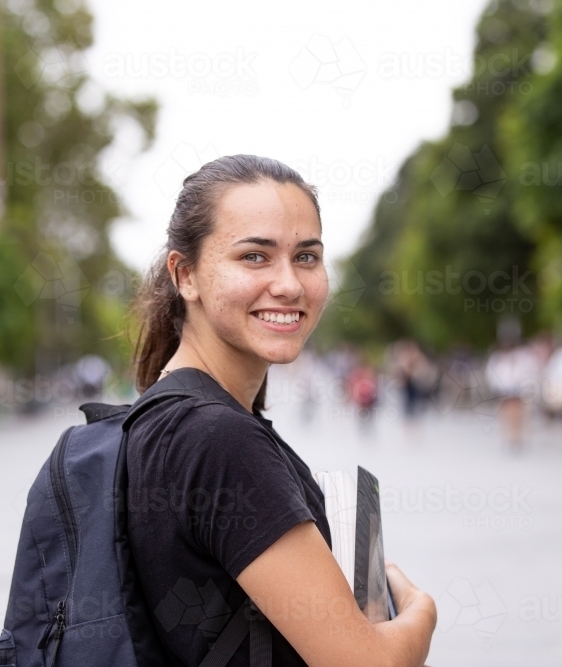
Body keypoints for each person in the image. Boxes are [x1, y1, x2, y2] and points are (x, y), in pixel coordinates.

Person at [126, 155, 437, 667]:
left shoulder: (162, 417)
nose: (290, 284)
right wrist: (420, 610)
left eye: (307, 257)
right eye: (255, 257)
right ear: (185, 275)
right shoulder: (217, 439)